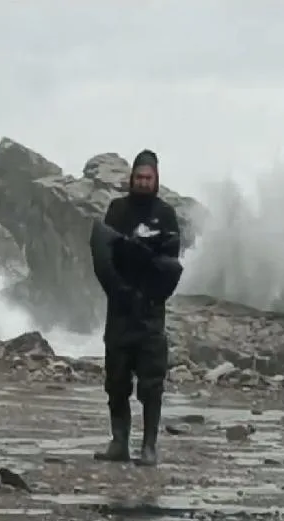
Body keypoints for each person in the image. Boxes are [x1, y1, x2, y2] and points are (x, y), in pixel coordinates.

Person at [90, 149, 181, 467]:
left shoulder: (166, 214)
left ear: (156, 180)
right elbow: (104, 255)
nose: (143, 182)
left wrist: (149, 290)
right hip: (119, 308)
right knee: (116, 380)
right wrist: (119, 290)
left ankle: (149, 446)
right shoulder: (117, 211)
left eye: (148, 178)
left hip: (150, 311)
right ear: (132, 178)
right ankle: (119, 442)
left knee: (151, 382)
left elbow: (171, 261)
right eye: (139, 177)